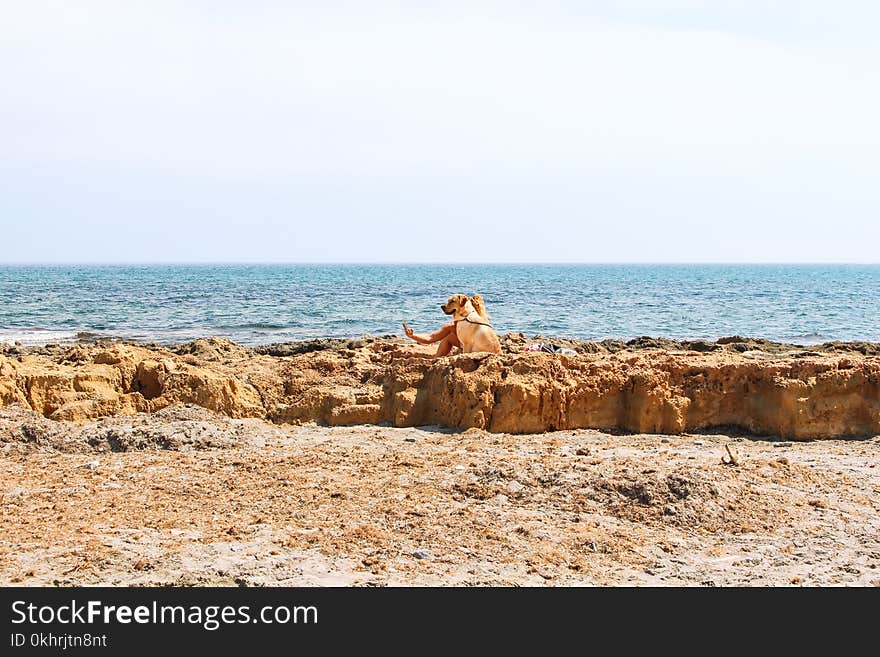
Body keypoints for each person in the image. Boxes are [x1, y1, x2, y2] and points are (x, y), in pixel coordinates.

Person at [402, 294, 490, 357]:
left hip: (474, 351)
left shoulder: (453, 325)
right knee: (450, 337)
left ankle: (437, 358)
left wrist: (412, 336)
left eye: (451, 303)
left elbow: (430, 338)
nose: (446, 305)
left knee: (447, 338)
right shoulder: (483, 321)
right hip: (484, 350)